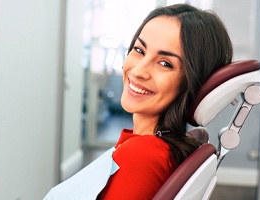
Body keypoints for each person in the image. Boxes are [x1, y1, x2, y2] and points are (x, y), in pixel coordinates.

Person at [44, 3, 233, 200]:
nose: (138, 71)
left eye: (165, 63)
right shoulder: (155, 148)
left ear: (193, 82)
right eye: (139, 50)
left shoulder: (142, 156)